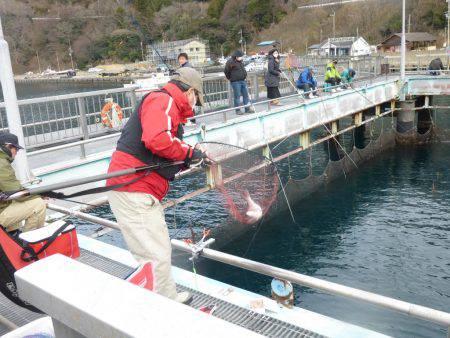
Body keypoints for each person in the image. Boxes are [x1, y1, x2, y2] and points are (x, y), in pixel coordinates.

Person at [106, 67, 207, 305]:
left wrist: (189, 157)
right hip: (133, 189)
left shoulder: (167, 108)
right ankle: (166, 309)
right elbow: (157, 140)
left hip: (137, 190)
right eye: (196, 99)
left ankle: (162, 300)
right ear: (190, 92)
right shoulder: (163, 100)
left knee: (154, 253)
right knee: (156, 255)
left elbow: (164, 155)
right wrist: (190, 152)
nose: (194, 106)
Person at [0, 132, 46, 235]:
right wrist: (40, 195)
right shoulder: (1, 164)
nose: (16, 152)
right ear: (8, 146)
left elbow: (13, 188)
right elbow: (15, 193)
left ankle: (13, 236)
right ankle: (29, 244)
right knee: (38, 205)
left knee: (16, 202)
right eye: (16, 149)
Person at [224, 50, 251, 114]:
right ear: (236, 56)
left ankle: (247, 109)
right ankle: (238, 110)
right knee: (237, 96)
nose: (241, 57)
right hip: (235, 82)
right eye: (240, 56)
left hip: (243, 80)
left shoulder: (240, 62)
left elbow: (243, 70)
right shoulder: (230, 62)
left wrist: (246, 76)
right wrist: (230, 78)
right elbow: (226, 71)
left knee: (246, 95)